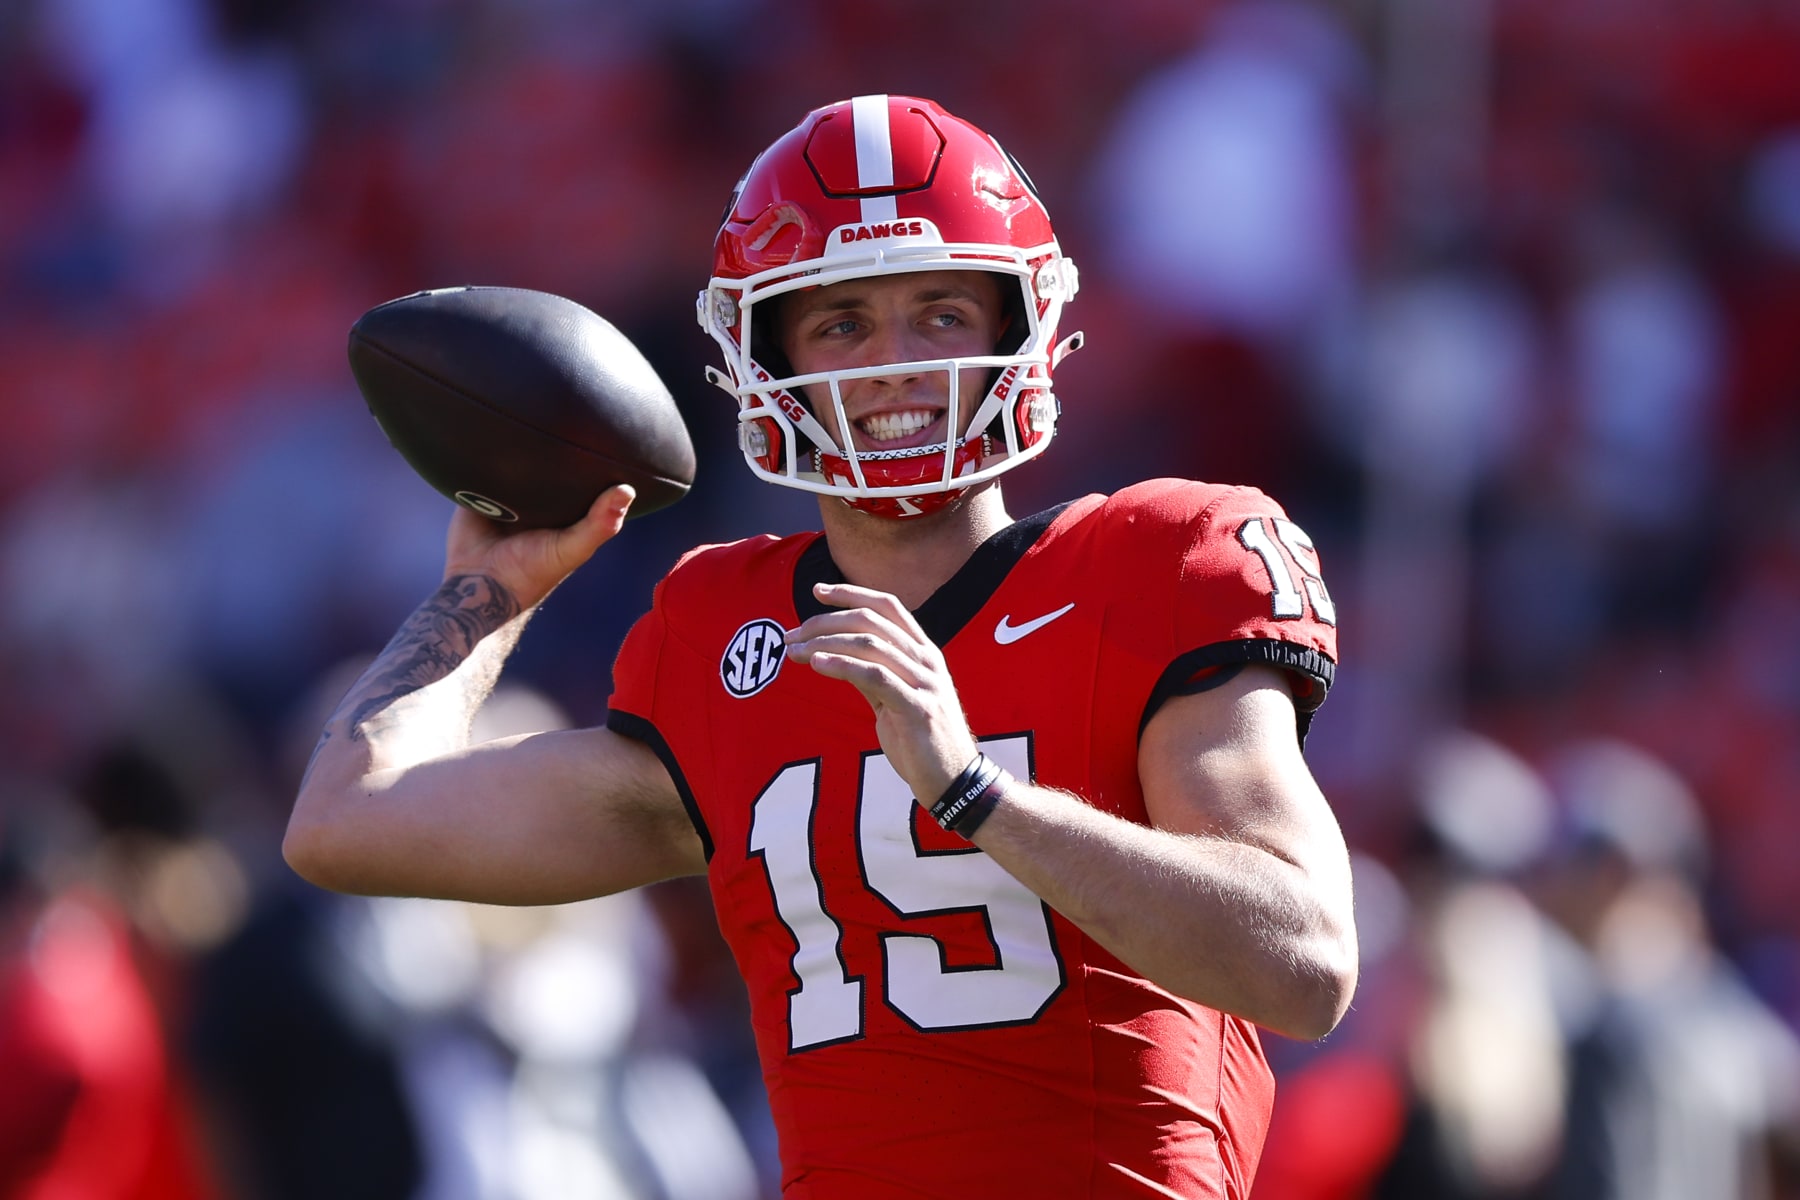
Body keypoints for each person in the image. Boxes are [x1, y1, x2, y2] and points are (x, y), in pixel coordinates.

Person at [286, 94, 1358, 1199]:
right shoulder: (726, 629)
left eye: (939, 311)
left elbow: (1305, 963)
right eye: (841, 322)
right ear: (763, 357)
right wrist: (488, 592)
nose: (892, 364)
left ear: (1019, 327)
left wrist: (977, 791)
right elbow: (350, 821)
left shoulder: (1159, 559)